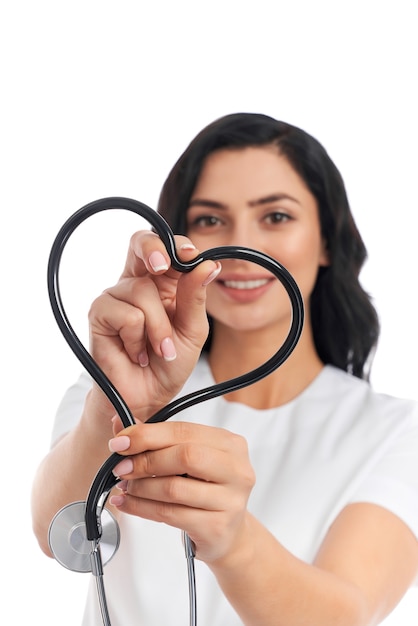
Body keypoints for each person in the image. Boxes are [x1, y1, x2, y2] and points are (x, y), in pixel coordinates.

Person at [32, 113, 418, 626]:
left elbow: (344, 614)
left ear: (327, 239)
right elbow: (54, 532)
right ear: (178, 243)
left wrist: (232, 542)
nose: (243, 247)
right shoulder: (116, 378)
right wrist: (116, 401)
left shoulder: (396, 433)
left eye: (276, 217)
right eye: (211, 220)